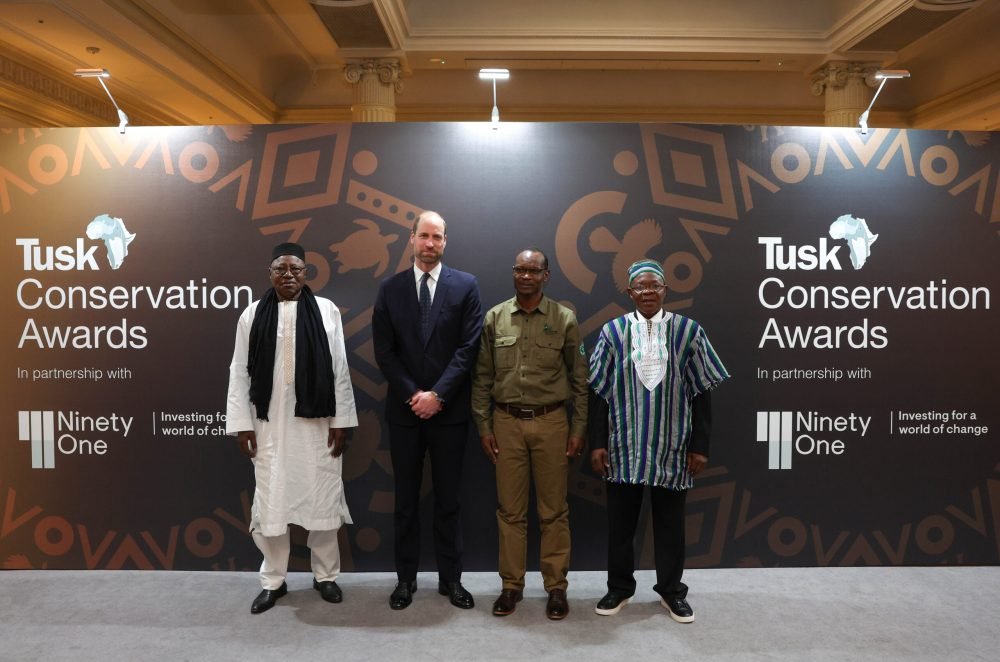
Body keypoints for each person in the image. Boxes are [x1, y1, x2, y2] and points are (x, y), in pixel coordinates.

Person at [588, 259, 729, 623]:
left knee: (671, 525)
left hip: (672, 444)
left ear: (666, 289)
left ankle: (671, 591)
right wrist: (598, 442)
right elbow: (598, 392)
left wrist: (700, 445)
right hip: (624, 444)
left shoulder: (688, 332)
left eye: (655, 286)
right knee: (621, 524)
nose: (648, 292)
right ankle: (619, 588)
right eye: (641, 286)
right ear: (629, 292)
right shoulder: (613, 332)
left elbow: (702, 392)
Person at [226, 242, 358, 614]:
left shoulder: (327, 311)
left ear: (306, 273)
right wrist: (242, 425)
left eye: (295, 269)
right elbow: (239, 371)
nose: (288, 275)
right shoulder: (252, 314)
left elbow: (339, 369)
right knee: (272, 502)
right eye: (280, 269)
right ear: (269, 274)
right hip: (268, 425)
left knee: (322, 499)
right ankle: (273, 581)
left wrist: (341, 420)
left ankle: (326, 576)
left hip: (317, 425)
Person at [372, 210, 483, 611]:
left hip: (449, 413)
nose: (430, 243)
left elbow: (468, 348)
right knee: (405, 501)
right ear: (412, 238)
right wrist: (414, 395)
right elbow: (384, 351)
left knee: (449, 500)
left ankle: (451, 579)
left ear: (445, 241)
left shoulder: (465, 286)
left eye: (437, 237)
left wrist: (438, 395)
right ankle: (405, 579)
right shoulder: (390, 289)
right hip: (404, 414)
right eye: (424, 236)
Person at [471, 248, 588, 620]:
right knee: (510, 511)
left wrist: (578, 428)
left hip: (552, 423)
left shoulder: (564, 319)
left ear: (545, 276)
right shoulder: (495, 318)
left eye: (533, 270)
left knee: (554, 511)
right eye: (520, 269)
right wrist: (484, 426)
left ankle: (556, 588)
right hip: (506, 423)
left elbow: (580, 381)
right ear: (513, 272)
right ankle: (511, 585)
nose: (525, 276)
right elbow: (482, 378)